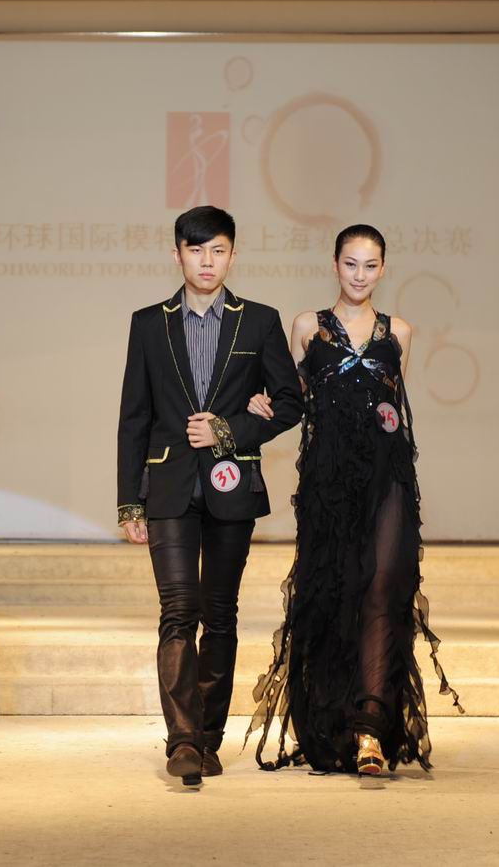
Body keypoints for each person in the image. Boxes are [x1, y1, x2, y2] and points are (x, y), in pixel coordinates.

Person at [244, 223, 462, 776]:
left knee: (383, 587)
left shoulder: (400, 332)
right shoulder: (306, 327)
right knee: (333, 592)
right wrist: (259, 405)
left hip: (388, 480)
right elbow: (292, 401)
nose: (359, 275)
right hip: (327, 484)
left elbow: (392, 412)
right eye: (350, 264)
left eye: (370, 265)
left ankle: (370, 728)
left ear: (383, 268)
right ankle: (333, 724)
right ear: (335, 264)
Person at [115, 205, 304, 786]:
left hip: (231, 484)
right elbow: (134, 418)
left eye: (217, 250)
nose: (206, 261)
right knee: (179, 610)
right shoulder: (149, 323)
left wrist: (229, 429)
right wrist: (129, 501)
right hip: (168, 485)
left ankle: (209, 738)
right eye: (195, 250)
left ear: (233, 255)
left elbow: (290, 403)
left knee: (220, 615)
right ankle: (182, 740)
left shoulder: (260, 322)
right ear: (177, 254)